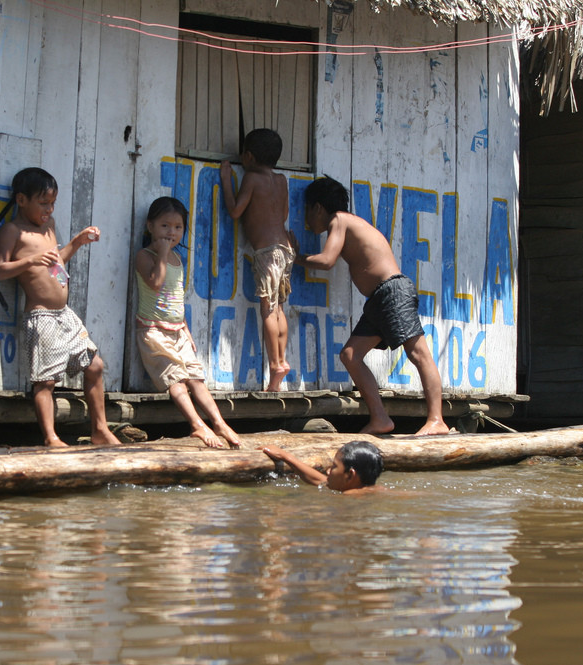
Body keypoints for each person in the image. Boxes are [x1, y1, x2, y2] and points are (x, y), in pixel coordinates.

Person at [294, 176, 449, 436]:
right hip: (379, 298)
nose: (307, 219)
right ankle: (380, 419)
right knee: (350, 356)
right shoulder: (345, 222)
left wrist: (293, 257)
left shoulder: (339, 220)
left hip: (392, 292)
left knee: (418, 354)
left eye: (307, 211)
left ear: (318, 207)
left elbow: (327, 260)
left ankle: (437, 420)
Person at [0, 167, 121, 448]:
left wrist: (76, 242)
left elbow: (56, 262)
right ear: (21, 200)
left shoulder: (48, 228)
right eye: (43, 203)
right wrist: (29, 261)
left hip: (65, 315)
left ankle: (100, 429)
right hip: (42, 317)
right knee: (46, 381)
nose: (49, 209)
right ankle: (51, 437)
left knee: (95, 365)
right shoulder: (13, 231)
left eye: (52, 203)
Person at [134, 196, 241, 449]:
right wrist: (161, 253)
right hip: (154, 332)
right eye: (165, 226)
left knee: (196, 379)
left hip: (178, 331)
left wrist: (186, 328)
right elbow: (156, 283)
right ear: (150, 226)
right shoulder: (145, 255)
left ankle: (218, 422)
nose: (172, 232)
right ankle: (196, 425)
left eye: (178, 227)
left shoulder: (177, 260)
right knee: (177, 382)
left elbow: (176, 299)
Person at [220, 128, 293, 392]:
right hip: (285, 251)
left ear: (248, 156)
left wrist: (227, 181)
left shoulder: (250, 178)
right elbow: (283, 214)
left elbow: (236, 210)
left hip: (266, 252)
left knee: (267, 310)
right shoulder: (281, 181)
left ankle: (275, 365)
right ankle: (281, 360)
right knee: (280, 308)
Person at [262, 441, 385, 494]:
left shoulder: (349, 497)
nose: (328, 471)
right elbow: (322, 481)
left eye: (334, 467)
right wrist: (286, 457)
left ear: (350, 475)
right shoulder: (376, 489)